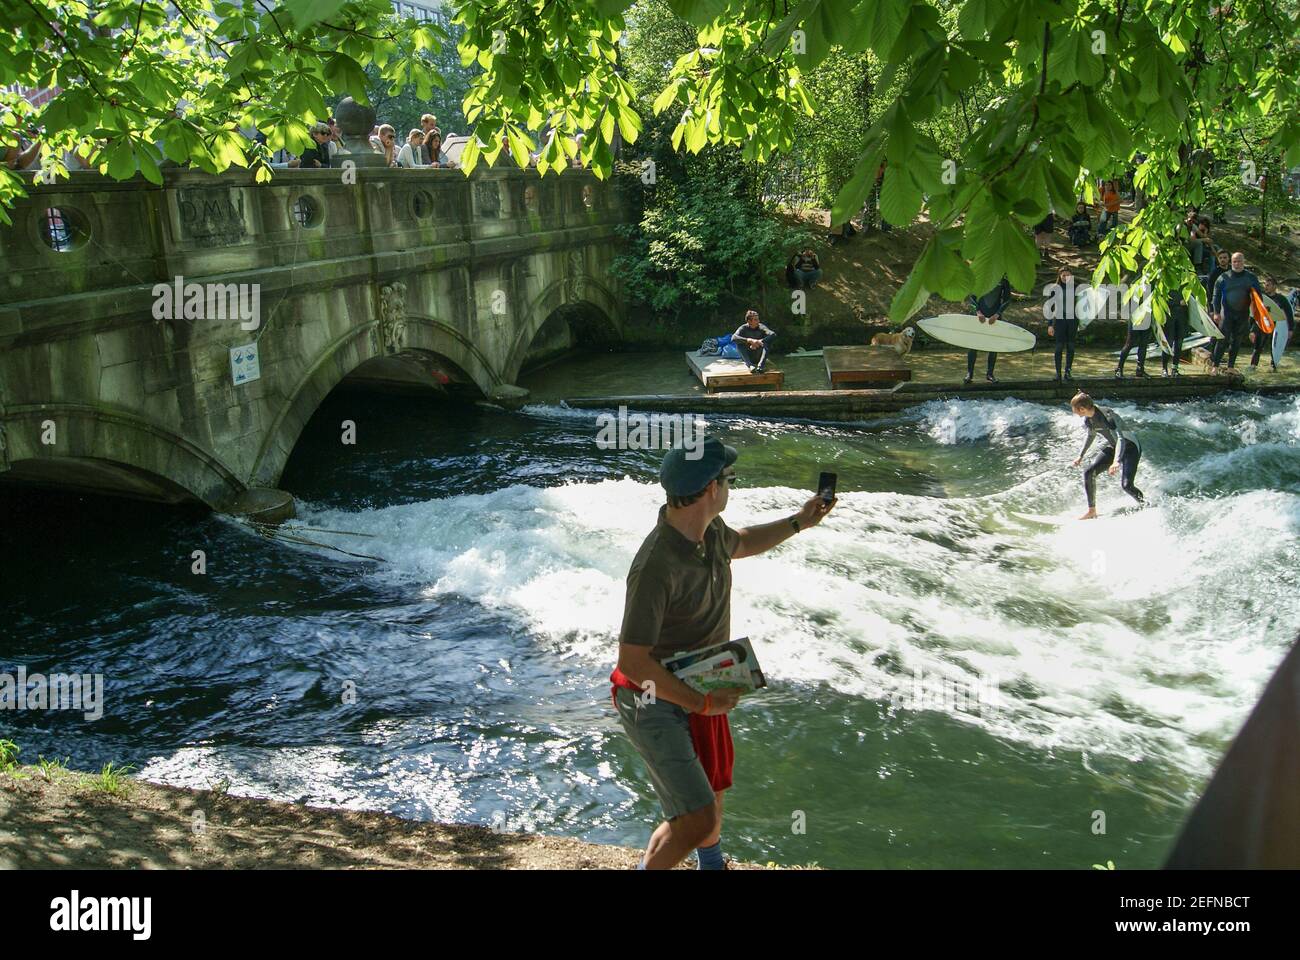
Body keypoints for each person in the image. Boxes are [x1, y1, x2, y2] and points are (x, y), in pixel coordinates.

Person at [610, 437, 834, 870]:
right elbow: (632, 663)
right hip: (653, 699)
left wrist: (799, 522)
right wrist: (702, 703)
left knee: (706, 801)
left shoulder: (708, 532)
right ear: (711, 488)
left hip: (699, 684)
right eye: (730, 479)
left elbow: (742, 543)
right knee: (696, 819)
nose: (732, 486)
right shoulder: (655, 566)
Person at [1070, 392, 1144, 519]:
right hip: (1114, 446)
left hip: (1130, 448)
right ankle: (1092, 511)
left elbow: (1120, 439)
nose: (1075, 413)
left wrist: (1116, 461)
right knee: (1089, 472)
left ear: (1082, 409)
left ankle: (1145, 504)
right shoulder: (1089, 420)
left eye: (1075, 410)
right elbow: (1090, 436)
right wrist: (1080, 455)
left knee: (1127, 485)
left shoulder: (1107, 416)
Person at [1211, 251, 1264, 372]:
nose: (1237, 263)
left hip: (1243, 313)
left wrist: (1257, 314)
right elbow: (1216, 295)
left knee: (1236, 341)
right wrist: (1216, 312)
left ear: (1243, 262)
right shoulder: (1224, 277)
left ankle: (1231, 366)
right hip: (1227, 313)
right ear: (1231, 262)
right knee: (1222, 339)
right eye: (1235, 261)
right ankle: (1215, 366)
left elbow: (1258, 298)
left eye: (1239, 261)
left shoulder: (1250, 277)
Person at [965, 276, 1012, 384]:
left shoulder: (1003, 281)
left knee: (993, 346)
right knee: (973, 345)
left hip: (994, 318)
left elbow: (1007, 300)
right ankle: (969, 374)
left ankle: (990, 374)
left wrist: (997, 314)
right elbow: (971, 297)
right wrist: (978, 312)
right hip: (979, 317)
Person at [1250, 276, 1294, 371]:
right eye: (1265, 285)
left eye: (1268, 285)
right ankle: (1253, 366)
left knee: (1274, 346)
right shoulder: (1261, 298)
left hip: (1277, 327)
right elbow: (1254, 314)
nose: (1265, 287)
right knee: (1257, 347)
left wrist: (1290, 329)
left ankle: (1273, 366)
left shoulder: (1281, 299)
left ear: (1274, 286)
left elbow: (1289, 314)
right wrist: (1252, 330)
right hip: (1263, 325)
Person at [1046, 266, 1078, 381]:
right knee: (1059, 347)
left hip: (1073, 321)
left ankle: (1068, 372)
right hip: (1059, 321)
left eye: (1068, 275)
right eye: (1063, 275)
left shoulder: (1076, 288)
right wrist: (1050, 325)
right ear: (1059, 276)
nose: (1065, 277)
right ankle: (1058, 374)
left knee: (1071, 346)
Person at [1115, 293, 1152, 379]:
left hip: (1148, 317)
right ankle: (1119, 369)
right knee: (1129, 344)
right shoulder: (1137, 284)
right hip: (1136, 316)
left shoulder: (1154, 284)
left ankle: (1140, 369)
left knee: (1143, 344)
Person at [1161, 287, 1190, 377]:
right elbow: (1162, 301)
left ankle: (1175, 368)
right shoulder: (1166, 283)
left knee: (1179, 344)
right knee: (1168, 343)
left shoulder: (1184, 284)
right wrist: (1178, 302)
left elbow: (1190, 300)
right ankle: (1164, 369)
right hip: (1169, 318)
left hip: (1182, 318)